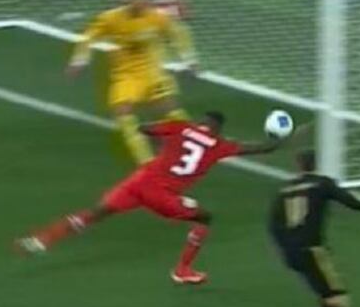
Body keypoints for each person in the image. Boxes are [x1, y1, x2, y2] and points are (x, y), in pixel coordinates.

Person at [17, 112, 283, 284]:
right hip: (163, 194)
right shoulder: (220, 145)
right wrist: (278, 138)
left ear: (202, 122)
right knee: (205, 218)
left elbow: (144, 128)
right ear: (218, 130)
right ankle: (183, 269)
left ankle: (43, 239)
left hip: (141, 179)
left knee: (99, 211)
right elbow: (261, 148)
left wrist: (163, 147)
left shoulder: (179, 127)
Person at [67, 0, 197, 165]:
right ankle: (147, 163)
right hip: (126, 76)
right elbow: (88, 37)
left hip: (153, 74)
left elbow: (179, 34)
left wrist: (190, 61)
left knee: (173, 111)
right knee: (124, 115)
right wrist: (79, 61)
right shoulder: (110, 18)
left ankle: (195, 142)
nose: (139, 1)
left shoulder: (157, 17)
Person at [270, 150, 360, 307]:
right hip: (312, 250)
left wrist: (284, 250)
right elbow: (349, 200)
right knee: (339, 301)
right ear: (317, 164)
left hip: (291, 253)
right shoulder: (322, 183)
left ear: (298, 164)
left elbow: (273, 226)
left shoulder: (284, 191)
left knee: (324, 293)